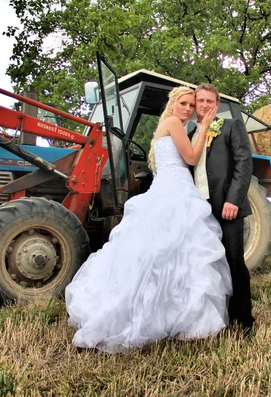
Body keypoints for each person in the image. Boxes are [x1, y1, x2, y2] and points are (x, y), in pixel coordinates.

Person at [65, 86, 232, 353]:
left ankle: (181, 316)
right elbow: (190, 157)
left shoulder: (170, 125)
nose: (188, 109)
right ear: (173, 103)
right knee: (169, 253)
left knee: (180, 254)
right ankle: (155, 314)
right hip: (175, 189)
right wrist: (204, 128)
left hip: (177, 187)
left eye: (192, 105)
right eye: (184, 104)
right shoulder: (174, 123)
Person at [188, 84, 255, 335]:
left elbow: (243, 164)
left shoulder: (230, 127)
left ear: (216, 104)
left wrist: (233, 200)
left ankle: (244, 321)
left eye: (209, 101)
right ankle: (217, 318)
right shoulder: (191, 132)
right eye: (200, 101)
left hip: (226, 206)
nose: (204, 105)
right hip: (199, 210)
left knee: (233, 261)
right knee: (208, 264)